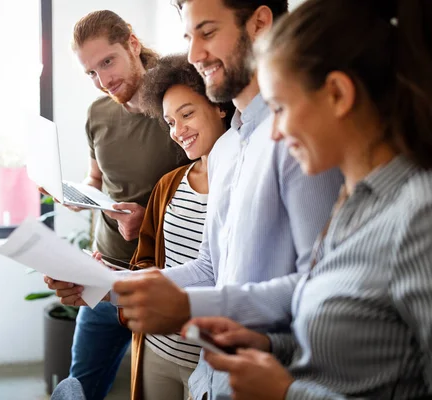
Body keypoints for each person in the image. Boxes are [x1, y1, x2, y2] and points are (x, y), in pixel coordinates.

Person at [50, 1, 343, 399]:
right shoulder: (225, 149)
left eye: (206, 33)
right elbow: (210, 268)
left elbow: (321, 290)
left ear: (260, 23)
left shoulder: (295, 139)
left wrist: (185, 307)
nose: (193, 55)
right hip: (213, 379)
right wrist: (103, 285)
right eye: (189, 37)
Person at [183, 0, 432, 398]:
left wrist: (285, 393)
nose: (274, 133)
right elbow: (347, 346)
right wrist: (269, 345)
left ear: (336, 94)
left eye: (280, 108)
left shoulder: (429, 213)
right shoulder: (352, 203)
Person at [45, 10, 188, 400]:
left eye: (107, 62)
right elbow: (98, 181)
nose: (103, 81)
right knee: (81, 387)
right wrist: (77, 197)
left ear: (133, 43)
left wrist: (149, 221)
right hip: (101, 273)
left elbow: (204, 196)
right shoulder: (98, 113)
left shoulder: (178, 107)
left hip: (159, 279)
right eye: (91, 72)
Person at [123, 54, 235, 400]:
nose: (178, 131)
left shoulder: (240, 184)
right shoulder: (169, 185)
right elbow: (148, 260)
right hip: (159, 350)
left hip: (209, 359)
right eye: (170, 121)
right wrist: (115, 279)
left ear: (219, 106)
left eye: (186, 114)